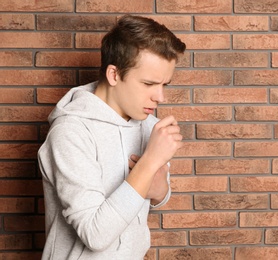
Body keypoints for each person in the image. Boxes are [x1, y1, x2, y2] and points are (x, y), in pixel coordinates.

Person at [38, 15, 186, 259]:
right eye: (149, 83)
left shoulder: (150, 126)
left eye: (164, 85)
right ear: (114, 75)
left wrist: (161, 190)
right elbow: (95, 235)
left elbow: (156, 195)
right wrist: (148, 164)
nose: (160, 97)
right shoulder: (70, 132)